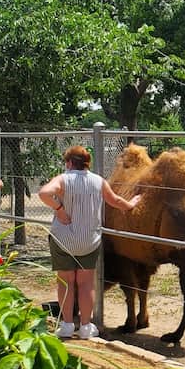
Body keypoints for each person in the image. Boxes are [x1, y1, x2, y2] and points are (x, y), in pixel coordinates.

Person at [38, 145, 142, 340]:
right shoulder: (98, 181)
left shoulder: (63, 179)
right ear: (87, 163)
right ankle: (86, 326)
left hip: (64, 240)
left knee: (66, 282)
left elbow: (44, 193)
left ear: (69, 163)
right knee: (86, 283)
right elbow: (117, 201)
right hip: (89, 241)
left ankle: (67, 325)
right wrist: (132, 204)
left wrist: (59, 209)